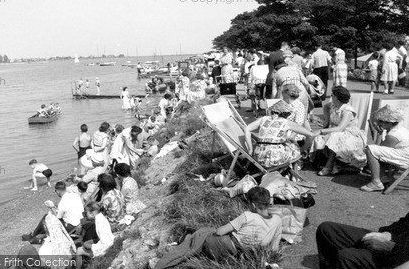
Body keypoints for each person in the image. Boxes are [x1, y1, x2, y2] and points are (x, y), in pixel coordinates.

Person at [154, 187, 282, 269]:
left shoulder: (248, 216)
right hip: (245, 253)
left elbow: (220, 232)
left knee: (204, 232)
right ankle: (189, 237)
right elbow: (274, 247)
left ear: (253, 205)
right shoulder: (277, 220)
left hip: (226, 246)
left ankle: (164, 262)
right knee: (201, 234)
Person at [316, 212, 409, 269]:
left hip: (398, 259)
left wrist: (390, 247)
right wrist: (388, 234)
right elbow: (405, 222)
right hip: (398, 243)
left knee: (347, 257)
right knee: (327, 230)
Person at [312, 86, 367, 175]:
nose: (331, 97)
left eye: (332, 95)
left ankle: (329, 166)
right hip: (337, 132)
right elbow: (325, 107)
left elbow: (340, 128)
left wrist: (321, 130)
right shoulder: (334, 105)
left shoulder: (347, 111)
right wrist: (326, 121)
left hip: (350, 135)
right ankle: (335, 164)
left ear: (337, 98)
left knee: (334, 136)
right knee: (322, 137)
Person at [245, 100, 314, 168]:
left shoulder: (263, 119)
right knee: (293, 144)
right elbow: (310, 135)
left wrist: (250, 149)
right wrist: (303, 149)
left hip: (259, 156)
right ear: (287, 114)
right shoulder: (286, 122)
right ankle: (294, 169)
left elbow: (247, 129)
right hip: (275, 158)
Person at [361, 105, 409, 192]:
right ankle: (383, 177)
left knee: (369, 149)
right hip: (405, 155)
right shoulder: (399, 129)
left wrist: (379, 134)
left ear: (390, 122)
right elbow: (381, 150)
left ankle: (376, 182)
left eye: (381, 121)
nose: (379, 123)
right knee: (373, 150)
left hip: (406, 158)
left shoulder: (393, 134)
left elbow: (378, 150)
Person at [74, 202, 115, 269]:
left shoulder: (99, 221)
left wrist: (90, 246)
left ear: (91, 213)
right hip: (109, 244)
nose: (85, 215)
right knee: (84, 246)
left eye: (86, 213)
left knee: (79, 250)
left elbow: (105, 243)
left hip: (105, 249)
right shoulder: (101, 217)